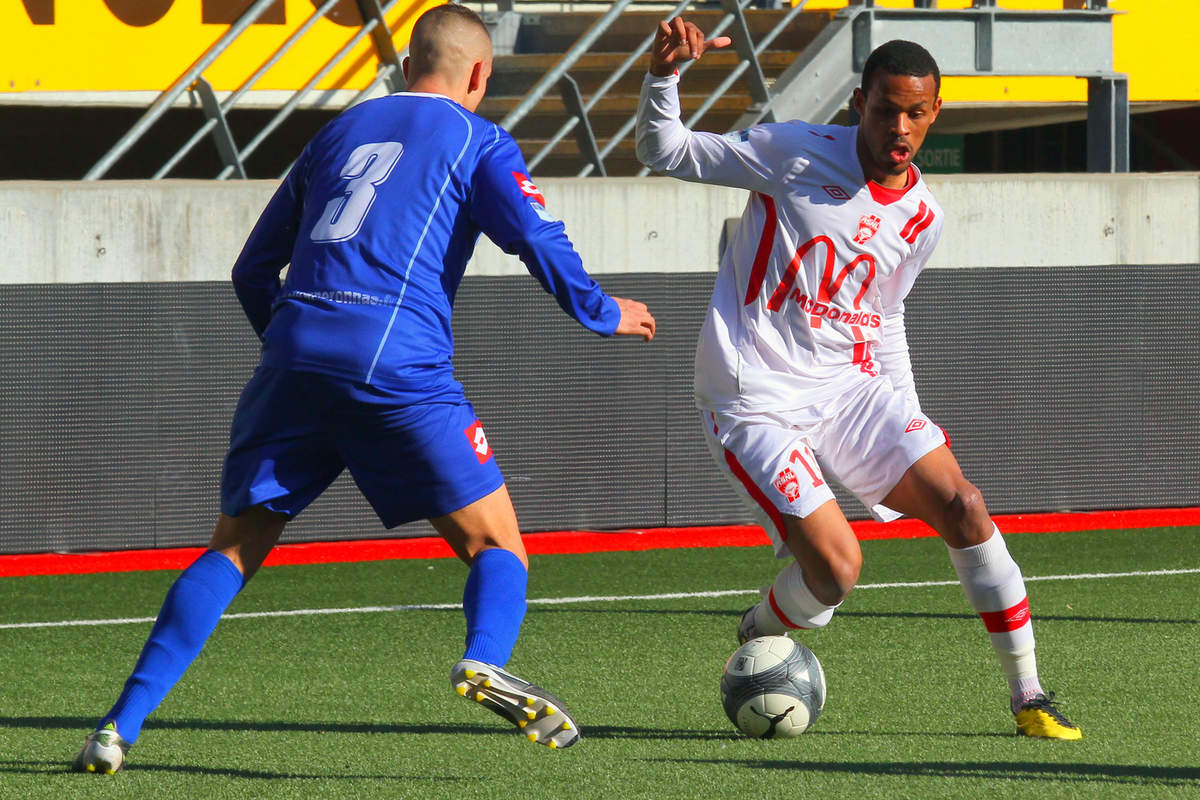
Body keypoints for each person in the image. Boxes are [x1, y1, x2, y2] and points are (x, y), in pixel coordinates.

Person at [72, 3, 657, 774]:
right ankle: (482, 658)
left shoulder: (336, 132)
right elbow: (533, 234)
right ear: (478, 73)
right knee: (497, 545)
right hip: (396, 366)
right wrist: (602, 310)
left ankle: (116, 728)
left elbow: (252, 269)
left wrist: (294, 353)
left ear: (408, 62)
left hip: (291, 359)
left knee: (233, 550)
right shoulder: (477, 138)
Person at [636, 18, 1079, 740]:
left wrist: (904, 410)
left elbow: (885, 315)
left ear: (935, 112)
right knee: (838, 573)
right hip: (755, 394)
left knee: (965, 504)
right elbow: (664, 149)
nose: (898, 127)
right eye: (884, 109)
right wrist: (664, 77)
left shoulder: (924, 215)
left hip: (850, 388)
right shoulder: (791, 152)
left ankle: (1028, 694)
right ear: (859, 103)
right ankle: (758, 629)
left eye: (914, 112)